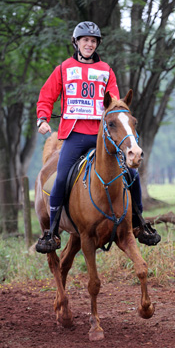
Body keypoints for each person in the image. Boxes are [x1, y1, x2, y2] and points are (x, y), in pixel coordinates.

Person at [36, 21, 160, 254]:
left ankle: (140, 224)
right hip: (73, 135)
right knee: (61, 178)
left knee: (132, 174)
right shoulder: (63, 68)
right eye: (85, 40)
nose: (89, 44)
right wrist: (42, 119)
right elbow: (46, 96)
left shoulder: (106, 70)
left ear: (96, 44)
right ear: (77, 42)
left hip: (103, 136)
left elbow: (114, 101)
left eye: (93, 41)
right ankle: (51, 232)